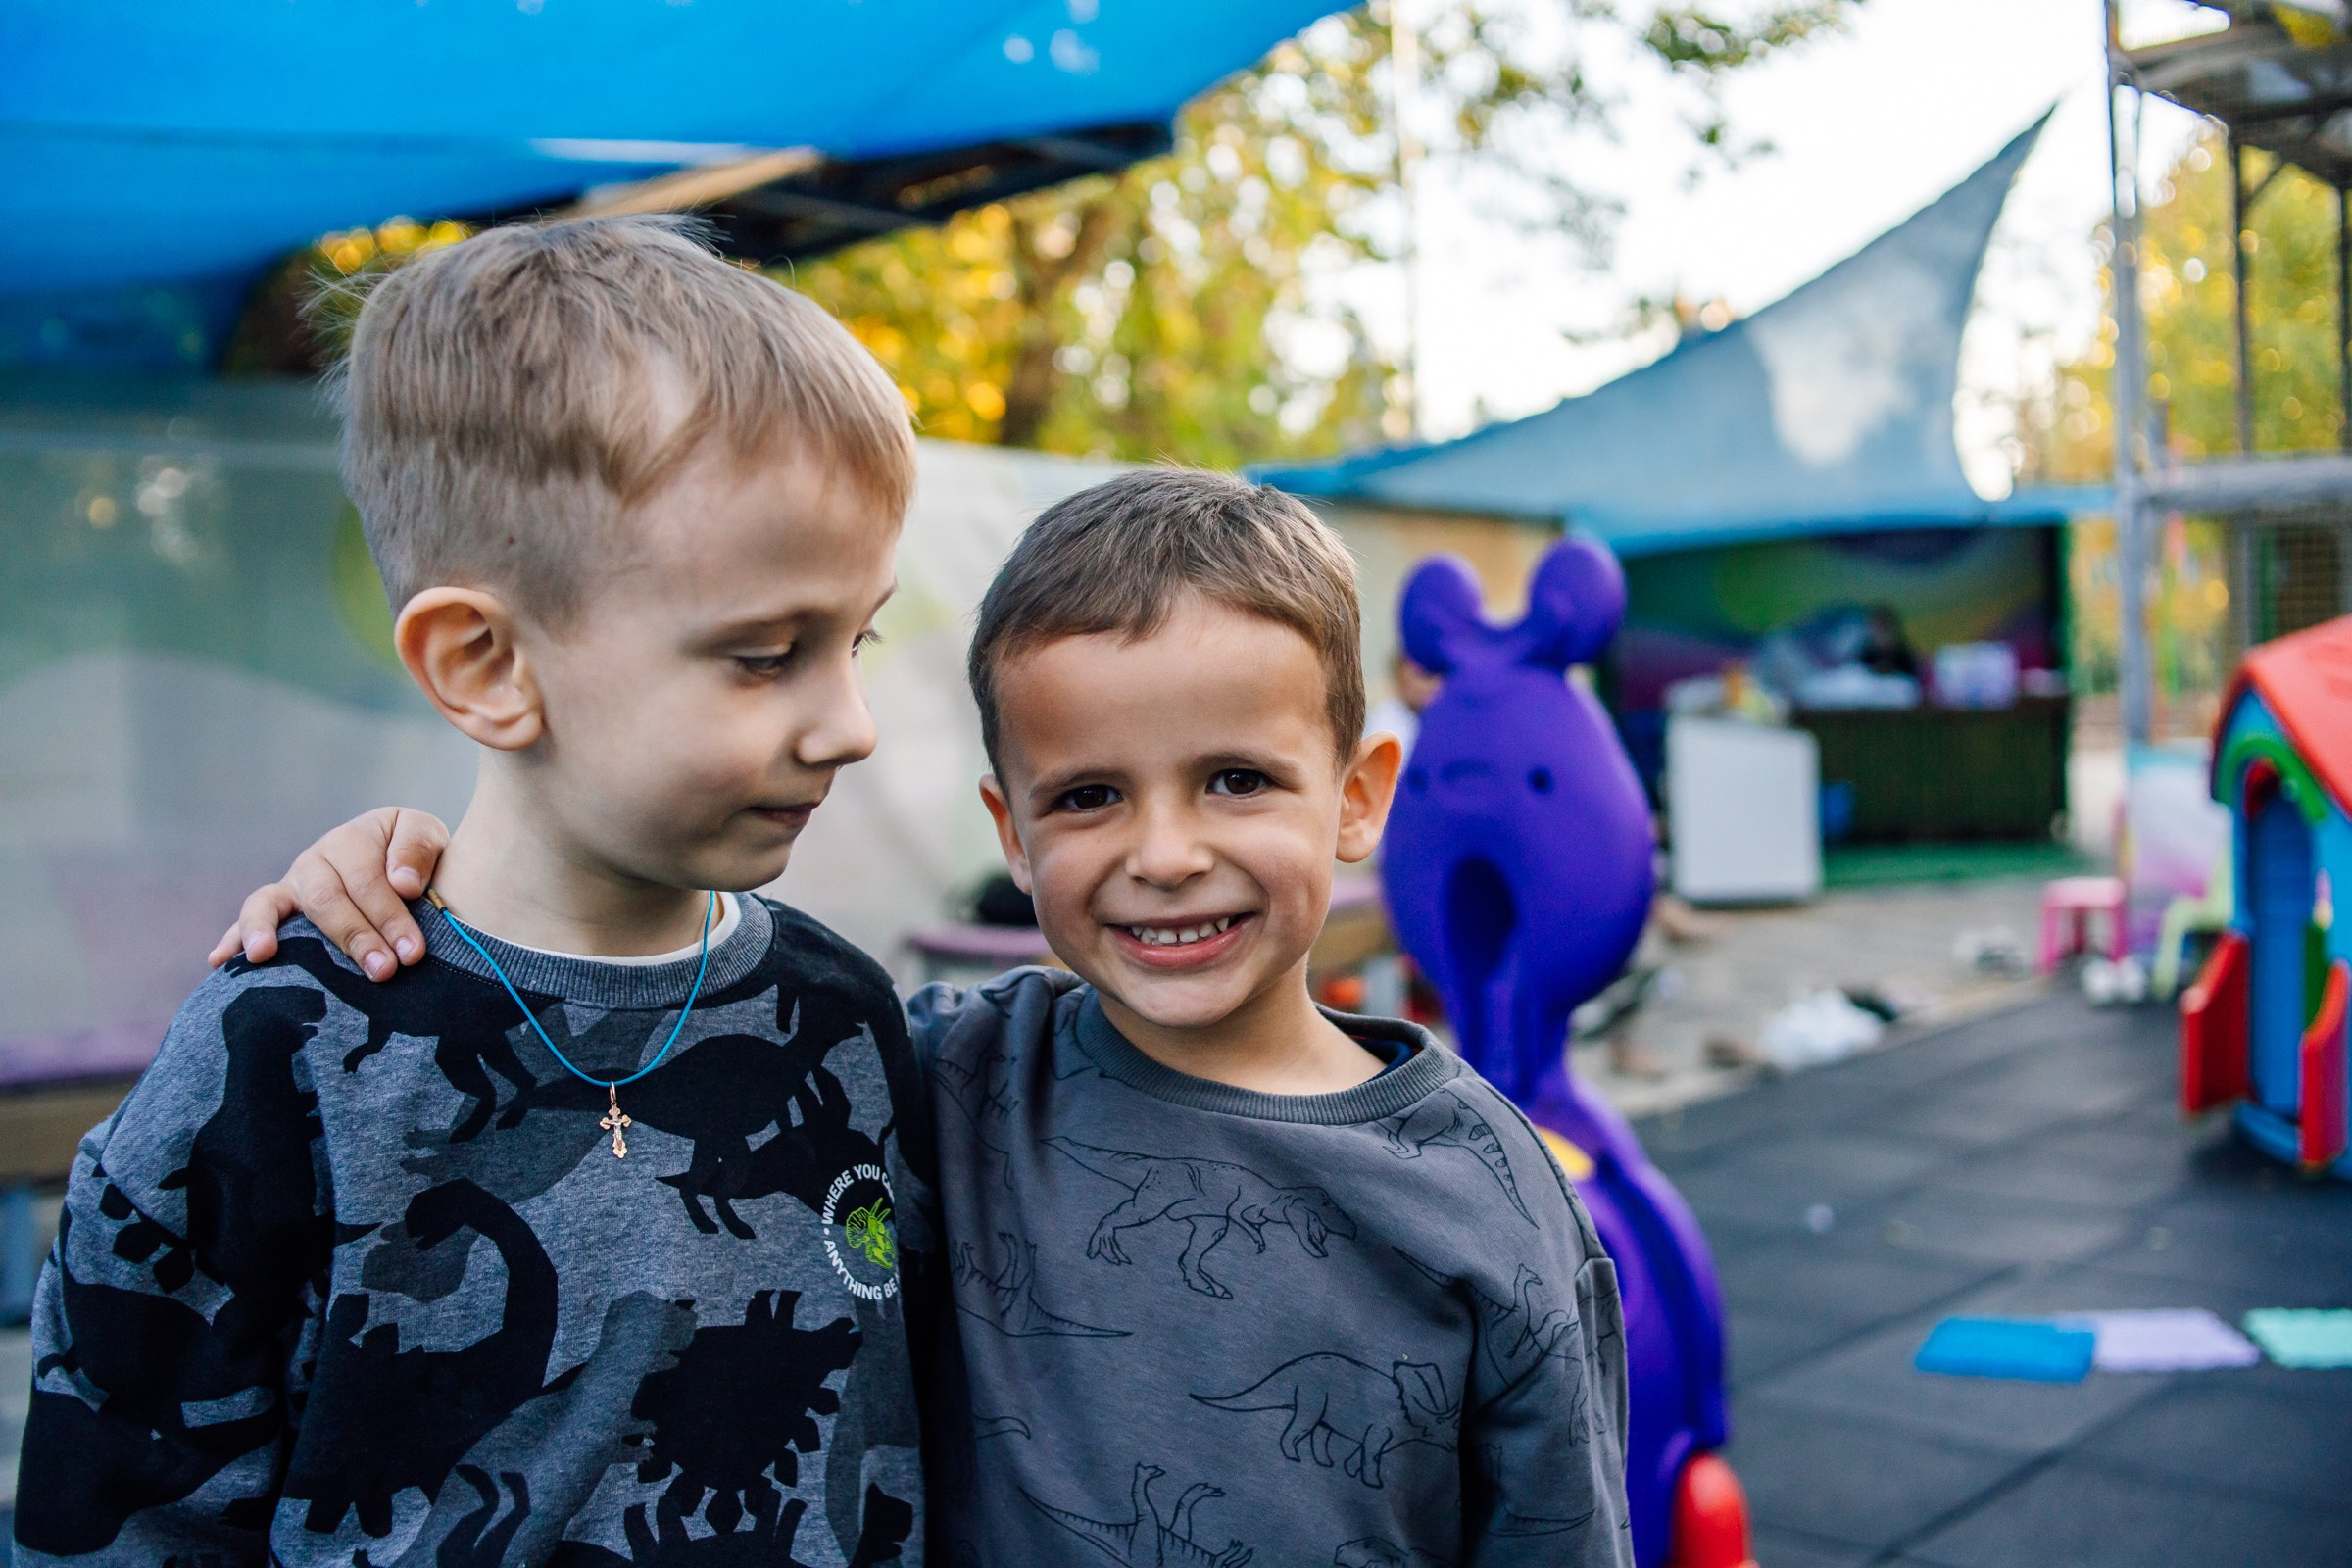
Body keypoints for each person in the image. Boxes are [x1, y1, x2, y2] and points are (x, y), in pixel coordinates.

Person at [223, 470, 1636, 1566]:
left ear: (1358, 796)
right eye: (1088, 796)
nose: (1163, 852)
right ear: (1008, 834)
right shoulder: (923, 1072)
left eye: (1236, 781)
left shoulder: (1486, 1195)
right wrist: (411, 867)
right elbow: (620, 973)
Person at [13, 217, 932, 1566]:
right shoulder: (280, 1058)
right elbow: (117, 1507)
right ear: (487, 666)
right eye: (763, 655)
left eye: (856, 638)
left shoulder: (848, 1020)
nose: (850, 723)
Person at [1364, 647, 1444, 756]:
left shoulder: (1445, 717)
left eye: (1432, 674)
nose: (1429, 685)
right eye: (1420, 675)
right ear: (1399, 674)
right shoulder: (1383, 724)